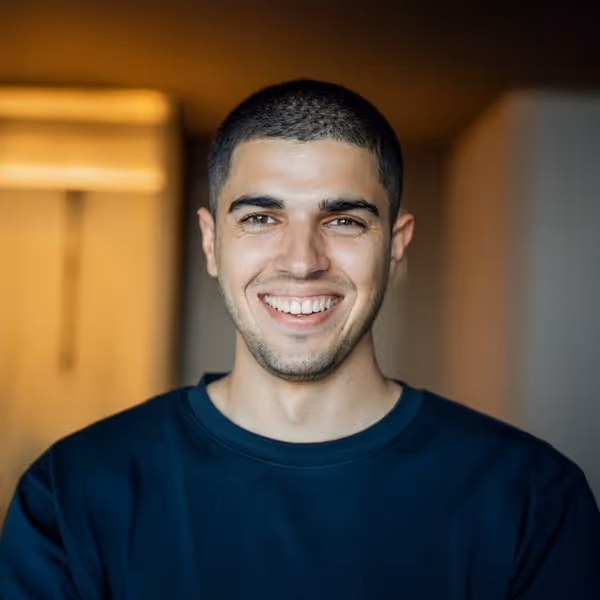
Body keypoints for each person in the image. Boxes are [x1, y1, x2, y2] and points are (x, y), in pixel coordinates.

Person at [0, 79, 598, 599]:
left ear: (395, 245)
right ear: (211, 242)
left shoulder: (532, 498)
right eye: (261, 218)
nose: (302, 261)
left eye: (344, 221)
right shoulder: (72, 492)